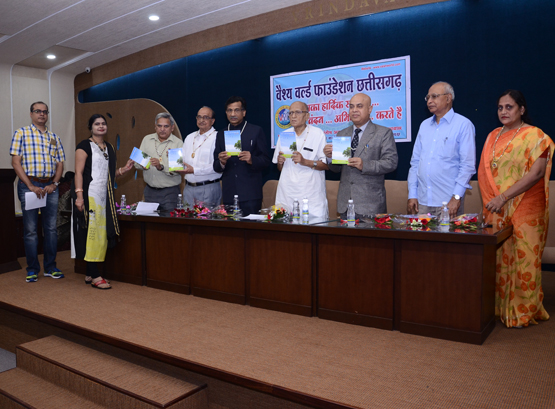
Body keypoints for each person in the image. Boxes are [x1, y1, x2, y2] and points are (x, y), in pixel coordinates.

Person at [478, 90, 553, 328]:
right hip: (496, 208)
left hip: (527, 206)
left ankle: (524, 312)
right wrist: (494, 201)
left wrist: (504, 197)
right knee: (499, 258)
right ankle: (500, 308)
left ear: (521, 109)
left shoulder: (536, 136)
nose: (503, 112)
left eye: (509, 107)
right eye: (500, 107)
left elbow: (537, 173)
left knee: (524, 258)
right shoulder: (492, 136)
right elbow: (485, 174)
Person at [72, 114, 134, 289]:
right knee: (93, 234)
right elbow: (78, 173)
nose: (101, 126)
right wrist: (79, 197)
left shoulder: (109, 147)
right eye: (97, 124)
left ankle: (90, 273)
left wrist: (123, 170)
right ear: (91, 127)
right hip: (89, 195)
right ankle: (95, 275)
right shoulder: (84, 146)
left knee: (100, 235)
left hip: (104, 197)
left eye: (103, 123)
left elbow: (107, 174)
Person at [10, 101, 66, 283]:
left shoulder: (54, 137)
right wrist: (31, 186)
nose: (42, 114)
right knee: (31, 230)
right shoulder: (21, 133)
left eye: (45, 111)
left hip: (50, 187)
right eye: (38, 111)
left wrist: (55, 183)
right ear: (31, 114)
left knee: (51, 229)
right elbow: (16, 163)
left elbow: (60, 164)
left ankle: (50, 267)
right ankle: (32, 269)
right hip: (29, 185)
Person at [407, 81, 476, 218]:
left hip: (448, 203)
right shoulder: (424, 125)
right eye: (428, 97)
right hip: (423, 202)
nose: (429, 101)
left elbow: (467, 166)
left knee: (447, 234)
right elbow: (415, 163)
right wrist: (412, 194)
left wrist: (456, 197)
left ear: (448, 98)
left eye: (434, 96)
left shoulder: (463, 125)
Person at [324, 93, 398, 218]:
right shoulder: (342, 134)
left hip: (371, 204)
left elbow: (391, 163)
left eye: (359, 106)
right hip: (345, 204)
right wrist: (330, 157)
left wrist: (364, 165)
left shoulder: (383, 133)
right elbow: (337, 169)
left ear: (370, 109)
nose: (354, 110)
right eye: (351, 106)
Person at [213, 96, 271, 216]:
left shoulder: (255, 131)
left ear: (244, 112)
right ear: (226, 113)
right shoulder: (221, 134)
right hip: (229, 193)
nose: (233, 114)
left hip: (250, 194)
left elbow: (266, 161)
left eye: (237, 110)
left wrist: (252, 160)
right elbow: (216, 166)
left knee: (251, 226)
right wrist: (221, 162)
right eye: (229, 110)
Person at [273, 101, 328, 218]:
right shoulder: (284, 135)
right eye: (291, 113)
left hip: (311, 196)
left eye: (297, 112)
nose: (293, 116)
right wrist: (280, 162)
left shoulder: (317, 134)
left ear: (307, 116)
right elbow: (280, 168)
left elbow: (325, 165)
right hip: (287, 193)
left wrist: (304, 161)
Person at [136, 113, 183, 213]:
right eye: (159, 126)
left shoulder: (178, 143)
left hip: (170, 192)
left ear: (172, 127)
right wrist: (143, 165)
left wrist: (161, 167)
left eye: (166, 126)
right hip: (150, 191)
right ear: (155, 127)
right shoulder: (147, 139)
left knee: (169, 221)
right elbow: (137, 164)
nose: (162, 129)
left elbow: (177, 171)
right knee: (150, 221)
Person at [180, 107, 222, 207]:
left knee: (207, 217)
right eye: (199, 117)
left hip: (208, 187)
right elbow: (183, 160)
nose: (201, 120)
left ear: (212, 121)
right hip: (188, 188)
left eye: (205, 117)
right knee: (186, 216)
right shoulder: (189, 137)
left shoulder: (218, 137)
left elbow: (218, 165)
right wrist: (175, 160)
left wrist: (194, 170)